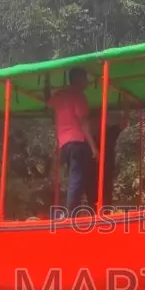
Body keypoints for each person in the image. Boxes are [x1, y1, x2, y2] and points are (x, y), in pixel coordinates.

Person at [47, 68, 98, 214]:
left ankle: (75, 210)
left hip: (64, 143)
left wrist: (46, 85)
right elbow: (83, 122)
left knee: (76, 176)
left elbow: (48, 103)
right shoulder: (79, 96)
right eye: (84, 78)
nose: (87, 82)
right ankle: (70, 213)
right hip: (77, 141)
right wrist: (94, 148)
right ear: (78, 79)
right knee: (77, 177)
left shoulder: (60, 95)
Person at [87, 109, 128, 209]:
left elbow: (123, 124)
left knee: (106, 197)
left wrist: (125, 109)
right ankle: (93, 218)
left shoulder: (110, 132)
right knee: (92, 198)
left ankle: (106, 217)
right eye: (94, 120)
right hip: (91, 173)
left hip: (107, 169)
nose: (97, 122)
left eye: (99, 119)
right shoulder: (87, 137)